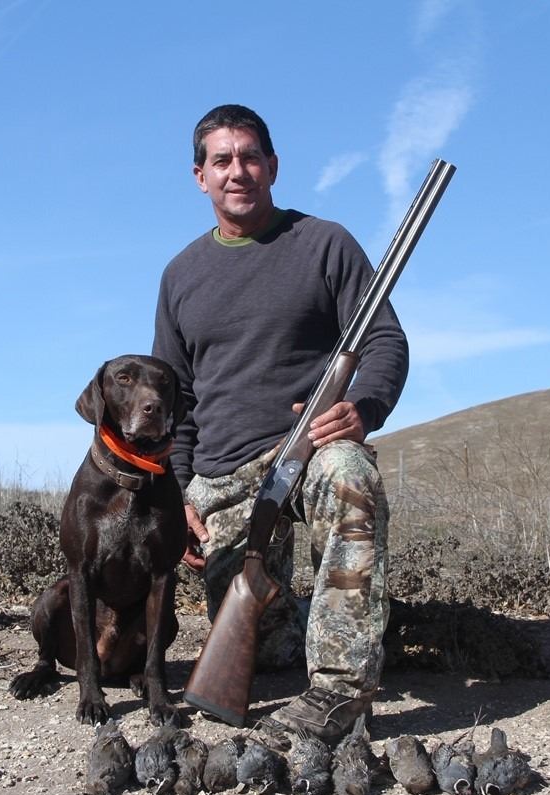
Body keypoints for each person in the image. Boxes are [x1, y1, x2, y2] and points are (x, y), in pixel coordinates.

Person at [151, 104, 409, 744]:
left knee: (348, 473)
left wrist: (363, 409)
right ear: (200, 177)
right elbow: (175, 397)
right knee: (264, 655)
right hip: (222, 476)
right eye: (221, 160)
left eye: (249, 157)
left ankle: (339, 695)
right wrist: (178, 493)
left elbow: (384, 340)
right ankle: (342, 617)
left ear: (272, 166)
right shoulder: (180, 275)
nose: (237, 171)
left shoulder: (325, 243)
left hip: (309, 450)